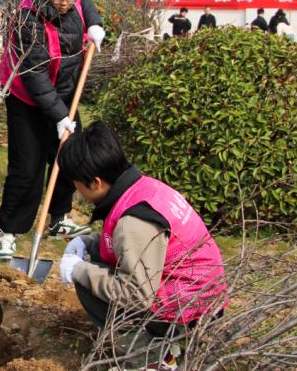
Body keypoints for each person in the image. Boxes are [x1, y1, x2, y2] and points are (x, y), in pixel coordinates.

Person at [57, 122, 228, 362]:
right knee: (94, 260)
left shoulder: (134, 222)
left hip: (188, 311)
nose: (78, 193)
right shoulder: (144, 188)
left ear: (95, 183)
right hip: (198, 295)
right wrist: (88, 242)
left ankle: (151, 357)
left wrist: (79, 271)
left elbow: (136, 294)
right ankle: (161, 342)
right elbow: (130, 246)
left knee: (87, 281)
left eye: (77, 186)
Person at [0, 0, 105, 260]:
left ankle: (58, 219)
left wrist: (94, 23)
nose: (66, 1)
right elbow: (35, 77)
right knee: (26, 167)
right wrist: (59, 116)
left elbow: (85, 1)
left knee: (69, 155)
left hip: (66, 92)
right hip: (27, 98)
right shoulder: (27, 18)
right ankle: (9, 232)